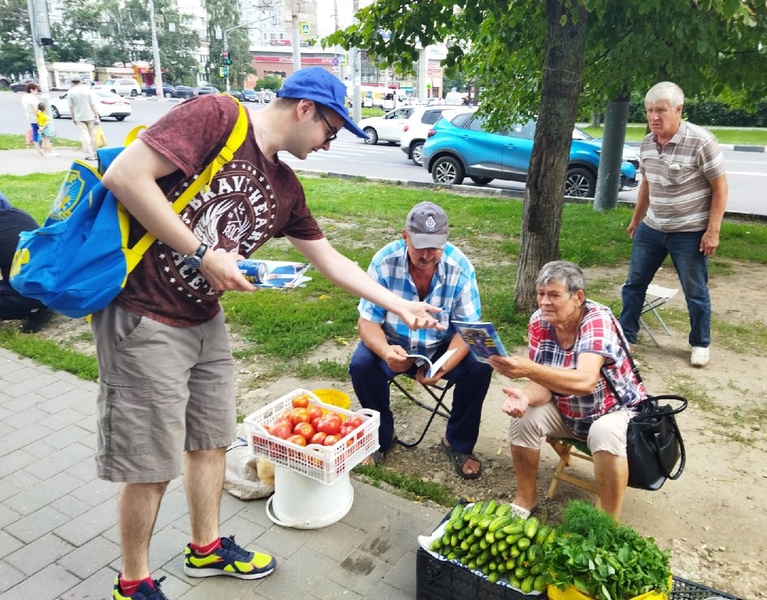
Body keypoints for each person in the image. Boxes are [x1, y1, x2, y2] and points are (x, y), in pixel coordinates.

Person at [96, 67, 443, 600]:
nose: (329, 144)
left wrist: (401, 304)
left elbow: (329, 258)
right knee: (150, 463)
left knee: (211, 440)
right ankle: (133, 582)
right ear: (305, 108)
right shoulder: (217, 116)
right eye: (331, 129)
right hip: (145, 311)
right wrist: (201, 253)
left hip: (203, 317)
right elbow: (125, 176)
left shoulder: (285, 185)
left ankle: (206, 549)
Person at [489, 261, 646, 520]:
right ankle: (526, 499)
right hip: (568, 410)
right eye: (541, 294)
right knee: (524, 417)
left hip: (614, 411)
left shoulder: (597, 320)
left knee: (604, 431)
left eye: (554, 295)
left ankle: (606, 521)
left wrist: (529, 369)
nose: (544, 302)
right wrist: (525, 396)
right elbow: (544, 384)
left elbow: (585, 381)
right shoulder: (539, 322)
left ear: (578, 297)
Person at [349, 201, 492, 479]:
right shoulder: (383, 261)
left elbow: (470, 330)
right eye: (420, 245)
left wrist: (443, 367)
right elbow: (367, 322)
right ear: (405, 236)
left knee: (482, 361)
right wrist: (386, 352)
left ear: (446, 240)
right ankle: (382, 435)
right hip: (394, 342)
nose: (427, 255)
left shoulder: (459, 266)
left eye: (435, 246)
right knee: (362, 364)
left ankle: (457, 441)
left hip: (441, 346)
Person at [618, 81, 728, 368]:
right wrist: (636, 218)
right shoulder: (646, 143)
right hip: (653, 228)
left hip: (690, 232)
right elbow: (648, 184)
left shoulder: (701, 141)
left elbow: (720, 187)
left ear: (679, 110)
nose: (654, 117)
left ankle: (700, 343)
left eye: (661, 111)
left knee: (695, 290)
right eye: (649, 111)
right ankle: (626, 336)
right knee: (634, 284)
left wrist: (712, 230)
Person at [0, 203, 54, 332]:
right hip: (54, 279)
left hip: (31, 289)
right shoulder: (16, 213)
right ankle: (37, 304)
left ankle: (32, 307)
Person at [68, 74, 100, 161]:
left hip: (79, 117)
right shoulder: (87, 90)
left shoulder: (71, 92)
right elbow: (92, 104)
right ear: (81, 81)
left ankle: (90, 155)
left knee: (84, 136)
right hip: (90, 116)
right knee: (93, 135)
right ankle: (95, 154)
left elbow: (71, 107)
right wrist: (97, 115)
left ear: (72, 82)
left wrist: (73, 117)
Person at [20, 81, 43, 156]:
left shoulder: (24, 97)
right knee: (44, 132)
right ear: (31, 90)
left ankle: (37, 150)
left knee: (35, 133)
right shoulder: (33, 99)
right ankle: (45, 149)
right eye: (36, 90)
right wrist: (39, 118)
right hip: (37, 118)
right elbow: (35, 110)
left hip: (30, 117)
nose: (37, 91)